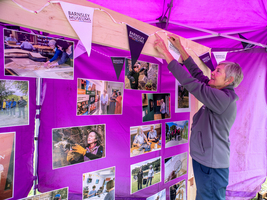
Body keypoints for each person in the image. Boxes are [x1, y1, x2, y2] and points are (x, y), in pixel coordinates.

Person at [154, 33, 243, 200]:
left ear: (229, 80)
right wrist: (181, 49)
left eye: (218, 71)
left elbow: (191, 83)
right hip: (206, 161)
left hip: (211, 166)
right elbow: (198, 75)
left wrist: (166, 53)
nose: (213, 73)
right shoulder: (218, 92)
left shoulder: (223, 99)